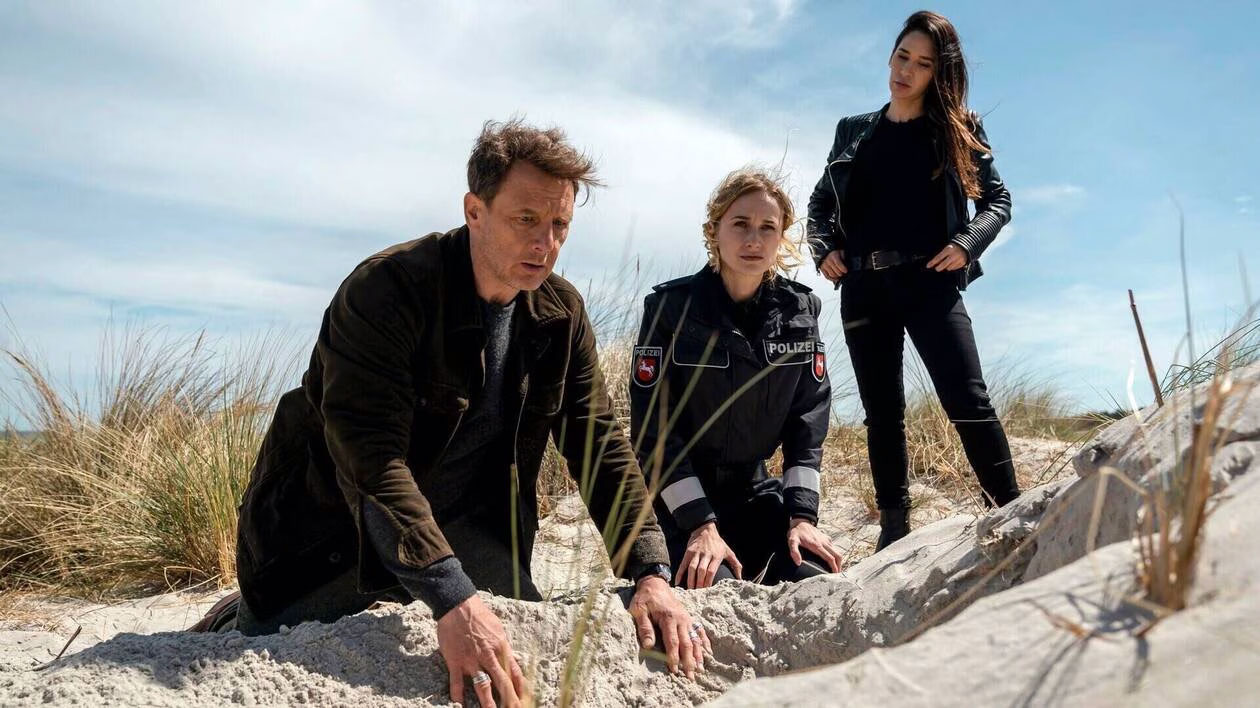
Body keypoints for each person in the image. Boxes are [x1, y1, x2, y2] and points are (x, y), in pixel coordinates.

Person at [204, 119, 708, 707]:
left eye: (560, 225)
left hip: (468, 533)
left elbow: (599, 444)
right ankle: (235, 613)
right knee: (274, 626)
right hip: (329, 538)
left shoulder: (560, 313)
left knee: (514, 662)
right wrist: (452, 599)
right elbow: (371, 461)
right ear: (475, 211)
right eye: (526, 220)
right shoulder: (385, 290)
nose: (545, 243)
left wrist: (650, 570)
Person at [806, 10, 1021, 552]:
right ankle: (894, 531)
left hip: (930, 282)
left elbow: (997, 200)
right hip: (864, 287)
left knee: (967, 398)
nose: (906, 71)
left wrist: (966, 242)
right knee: (882, 414)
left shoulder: (957, 127)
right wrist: (824, 249)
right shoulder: (853, 130)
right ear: (890, 55)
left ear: (937, 73)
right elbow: (819, 204)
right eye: (903, 56)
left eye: (923, 64)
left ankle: (1013, 510)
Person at [630, 167, 843, 591]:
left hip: (756, 495)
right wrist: (700, 525)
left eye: (768, 228)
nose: (753, 240)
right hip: (679, 504)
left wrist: (802, 517)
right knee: (715, 584)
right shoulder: (670, 309)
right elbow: (654, 433)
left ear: (781, 237)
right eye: (740, 224)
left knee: (818, 580)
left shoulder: (801, 311)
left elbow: (808, 423)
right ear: (714, 230)